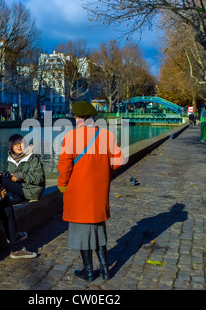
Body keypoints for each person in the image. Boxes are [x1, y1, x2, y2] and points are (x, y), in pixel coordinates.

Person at [57, 101, 125, 281]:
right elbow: (119, 160)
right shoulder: (107, 136)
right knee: (98, 229)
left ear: (78, 117)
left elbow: (64, 167)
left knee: (81, 232)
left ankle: (88, 272)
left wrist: (63, 186)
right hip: (98, 191)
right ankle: (105, 270)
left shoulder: (71, 137)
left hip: (79, 192)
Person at [2, 134, 46, 203]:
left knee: (4, 181)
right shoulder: (11, 159)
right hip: (21, 187)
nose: (19, 146)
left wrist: (21, 175)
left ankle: (16, 197)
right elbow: (12, 175)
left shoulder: (33, 158)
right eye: (16, 145)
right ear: (11, 147)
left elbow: (39, 178)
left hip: (32, 190)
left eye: (21, 143)